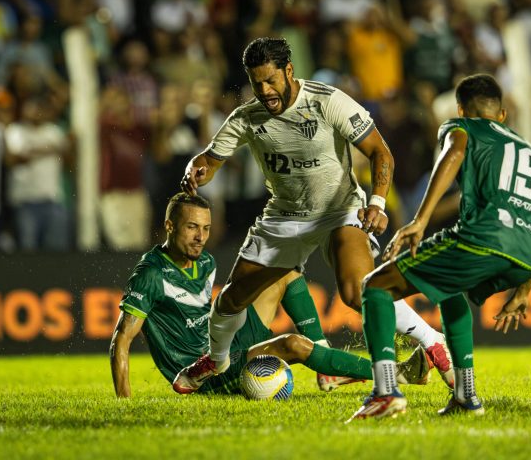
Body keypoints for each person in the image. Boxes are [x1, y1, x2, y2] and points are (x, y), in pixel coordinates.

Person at [174, 37, 454, 393]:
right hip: (284, 217)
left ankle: (433, 340)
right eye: (257, 83)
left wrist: (378, 202)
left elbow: (380, 153)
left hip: (340, 210)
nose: (265, 90)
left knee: (359, 291)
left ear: (289, 71)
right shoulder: (247, 117)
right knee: (230, 300)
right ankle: (216, 359)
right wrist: (195, 168)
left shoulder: (327, 101)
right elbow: (209, 161)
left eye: (271, 80)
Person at [347, 74, 531, 421]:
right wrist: (525, 288)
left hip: (486, 237)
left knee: (375, 286)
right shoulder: (527, 149)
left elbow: (455, 151)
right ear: (502, 114)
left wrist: (420, 220)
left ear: (460, 108)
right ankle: (466, 395)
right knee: (449, 291)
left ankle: (385, 392)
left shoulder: (460, 126)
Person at [109, 192, 431, 397]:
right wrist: (124, 401)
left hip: (224, 344)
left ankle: (326, 369)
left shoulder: (204, 261)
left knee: (286, 268)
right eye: (192, 227)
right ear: (169, 226)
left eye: (205, 229)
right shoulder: (151, 274)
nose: (201, 237)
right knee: (292, 344)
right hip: (203, 373)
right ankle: (398, 373)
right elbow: (121, 340)